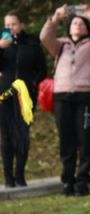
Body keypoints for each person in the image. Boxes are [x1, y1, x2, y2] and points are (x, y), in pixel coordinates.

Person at [40, 4, 90, 197]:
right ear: (68, 27)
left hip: (86, 97)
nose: (78, 25)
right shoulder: (60, 45)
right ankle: (67, 181)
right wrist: (55, 18)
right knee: (66, 141)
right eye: (74, 23)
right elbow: (44, 37)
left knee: (85, 140)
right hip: (63, 97)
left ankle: (82, 180)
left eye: (81, 23)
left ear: (86, 28)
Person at [0, 12, 46, 188]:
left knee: (22, 135)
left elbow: (42, 70)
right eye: (7, 25)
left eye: (14, 24)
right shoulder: (2, 44)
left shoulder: (32, 43)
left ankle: (20, 175)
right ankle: (8, 178)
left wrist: (33, 84)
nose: (10, 28)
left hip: (25, 96)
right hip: (5, 94)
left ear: (21, 24)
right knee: (6, 136)